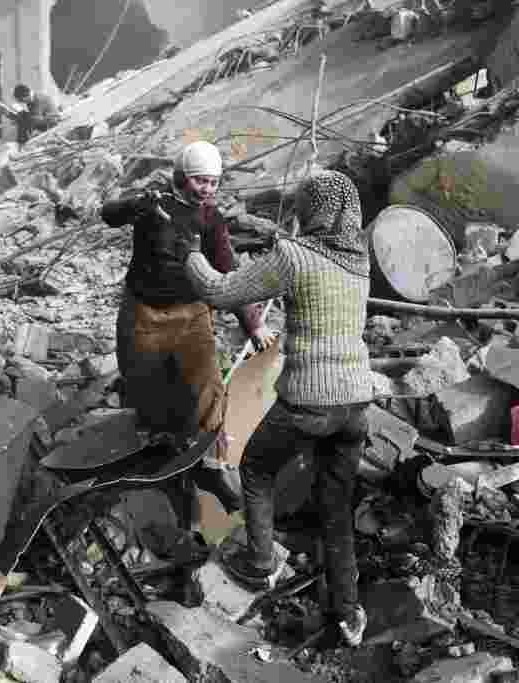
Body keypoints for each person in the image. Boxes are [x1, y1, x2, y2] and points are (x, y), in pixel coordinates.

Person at [184, 170, 375, 647]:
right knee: (336, 506)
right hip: (355, 405)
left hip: (310, 400)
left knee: (256, 468)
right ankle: (347, 613)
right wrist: (258, 229)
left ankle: (260, 563)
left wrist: (187, 252)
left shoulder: (295, 257)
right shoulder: (358, 260)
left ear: (309, 211)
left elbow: (221, 291)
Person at [100, 141, 274, 523]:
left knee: (209, 387)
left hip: (193, 314)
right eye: (199, 180)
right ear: (182, 176)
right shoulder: (153, 204)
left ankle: (212, 465)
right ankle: (159, 460)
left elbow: (229, 275)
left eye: (213, 181)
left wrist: (254, 324)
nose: (207, 188)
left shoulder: (211, 220)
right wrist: (134, 205)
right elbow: (107, 214)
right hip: (144, 313)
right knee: (146, 386)